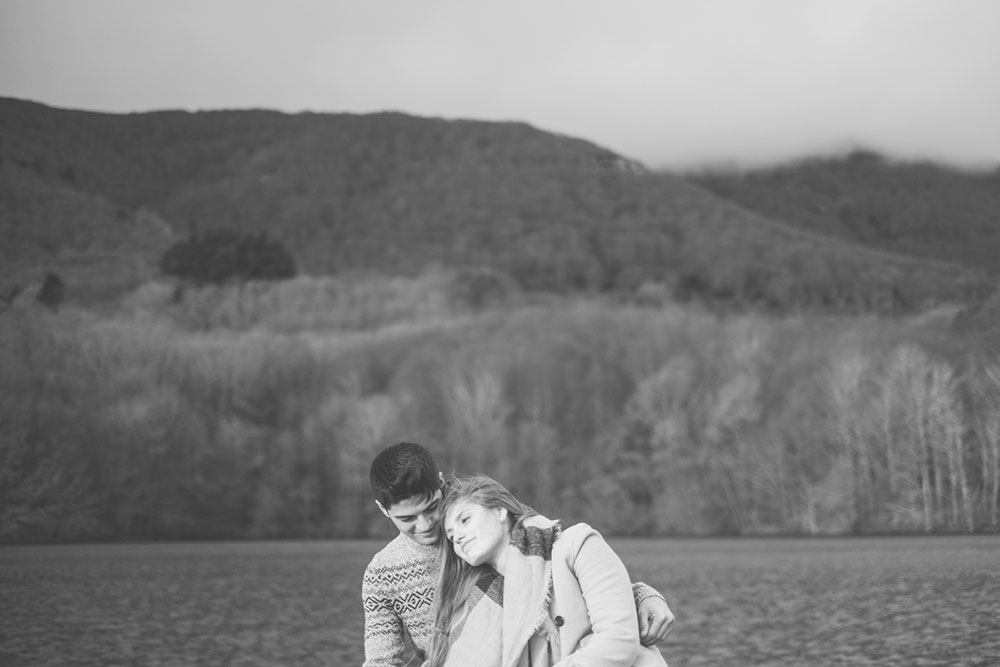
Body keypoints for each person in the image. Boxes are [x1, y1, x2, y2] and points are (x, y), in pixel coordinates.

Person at [362, 442, 674, 667]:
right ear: (383, 510)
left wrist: (640, 595)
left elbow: (553, 571)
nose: (427, 524)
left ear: (441, 484)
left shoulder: (481, 521)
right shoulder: (382, 574)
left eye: (431, 507)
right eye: (407, 519)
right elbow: (381, 662)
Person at [426, 474, 668, 667]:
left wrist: (643, 594)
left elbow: (618, 640)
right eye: (451, 536)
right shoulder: (480, 602)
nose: (457, 536)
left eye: (465, 519)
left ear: (500, 511)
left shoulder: (575, 544)